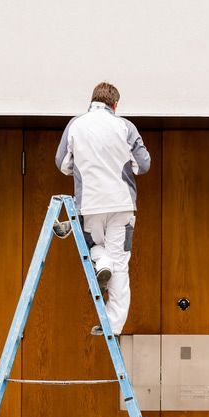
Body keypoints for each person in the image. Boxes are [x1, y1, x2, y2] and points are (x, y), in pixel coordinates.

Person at [53, 82, 151, 337]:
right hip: (121, 205)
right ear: (115, 105)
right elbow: (144, 164)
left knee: (89, 245)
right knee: (121, 265)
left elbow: (62, 163)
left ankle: (102, 261)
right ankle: (113, 325)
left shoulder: (76, 124)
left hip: (91, 204)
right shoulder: (125, 127)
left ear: (92, 100)